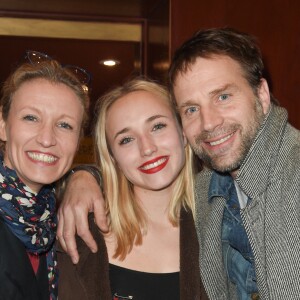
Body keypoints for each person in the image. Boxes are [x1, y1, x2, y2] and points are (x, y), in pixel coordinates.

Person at [58, 28, 300, 299]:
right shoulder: (216, 195)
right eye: (192, 109)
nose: (209, 122)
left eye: (223, 96)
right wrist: (82, 176)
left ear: (262, 94)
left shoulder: (208, 212)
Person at [57, 78, 208, 300]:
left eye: (157, 126)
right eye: (126, 139)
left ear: (183, 132)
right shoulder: (81, 233)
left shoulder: (219, 226)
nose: (147, 148)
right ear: (113, 158)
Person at [0, 51, 89, 300]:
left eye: (64, 125)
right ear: (3, 125)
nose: (47, 139)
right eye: (31, 117)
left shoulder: (50, 220)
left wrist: (86, 176)